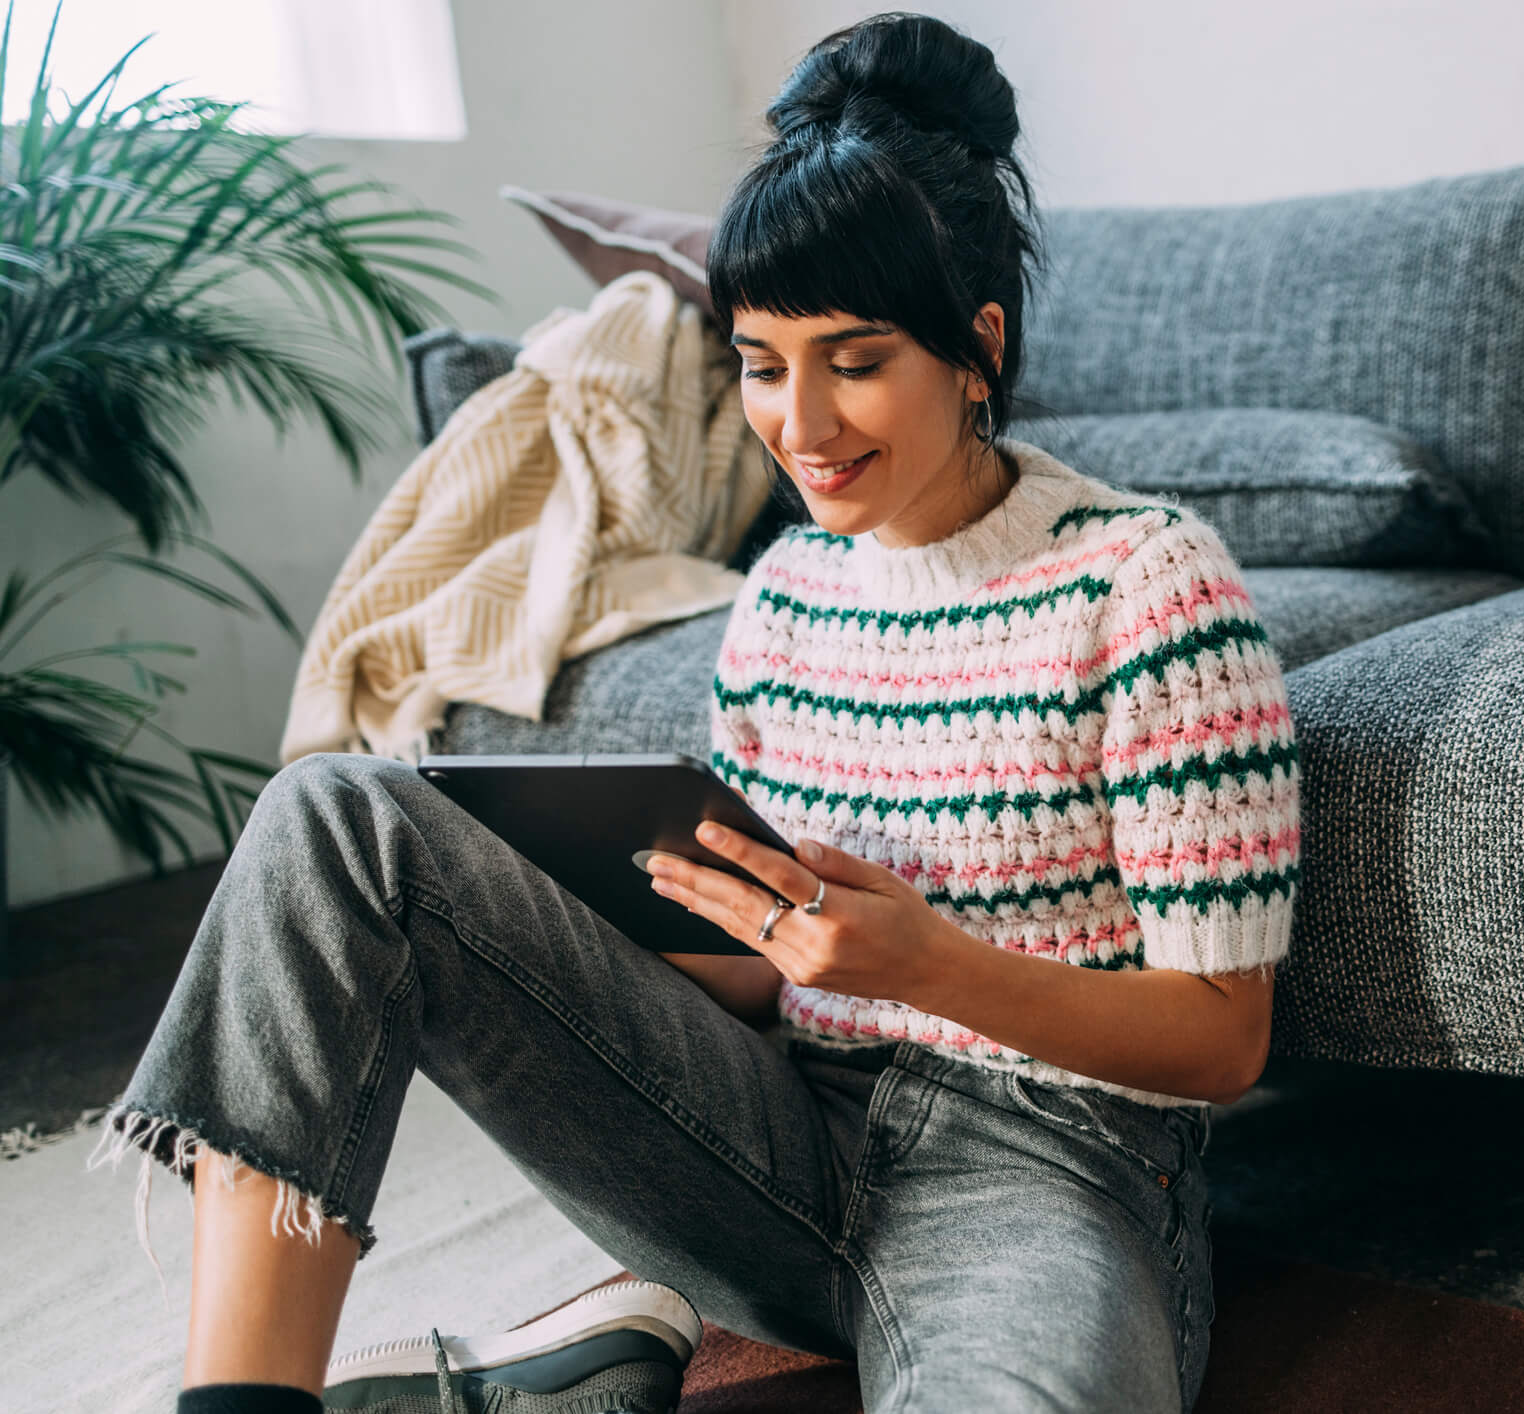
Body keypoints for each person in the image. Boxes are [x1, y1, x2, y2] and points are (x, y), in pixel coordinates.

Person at [87, 12, 1303, 1413]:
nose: (800, 421)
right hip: (774, 1143)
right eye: (761, 361)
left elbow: (1223, 1036)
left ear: (975, 348)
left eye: (854, 359)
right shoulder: (781, 598)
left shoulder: (1147, 582)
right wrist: (584, 919)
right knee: (335, 818)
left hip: (1055, 1166)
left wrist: (925, 966)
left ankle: (559, 1378)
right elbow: (746, 984)